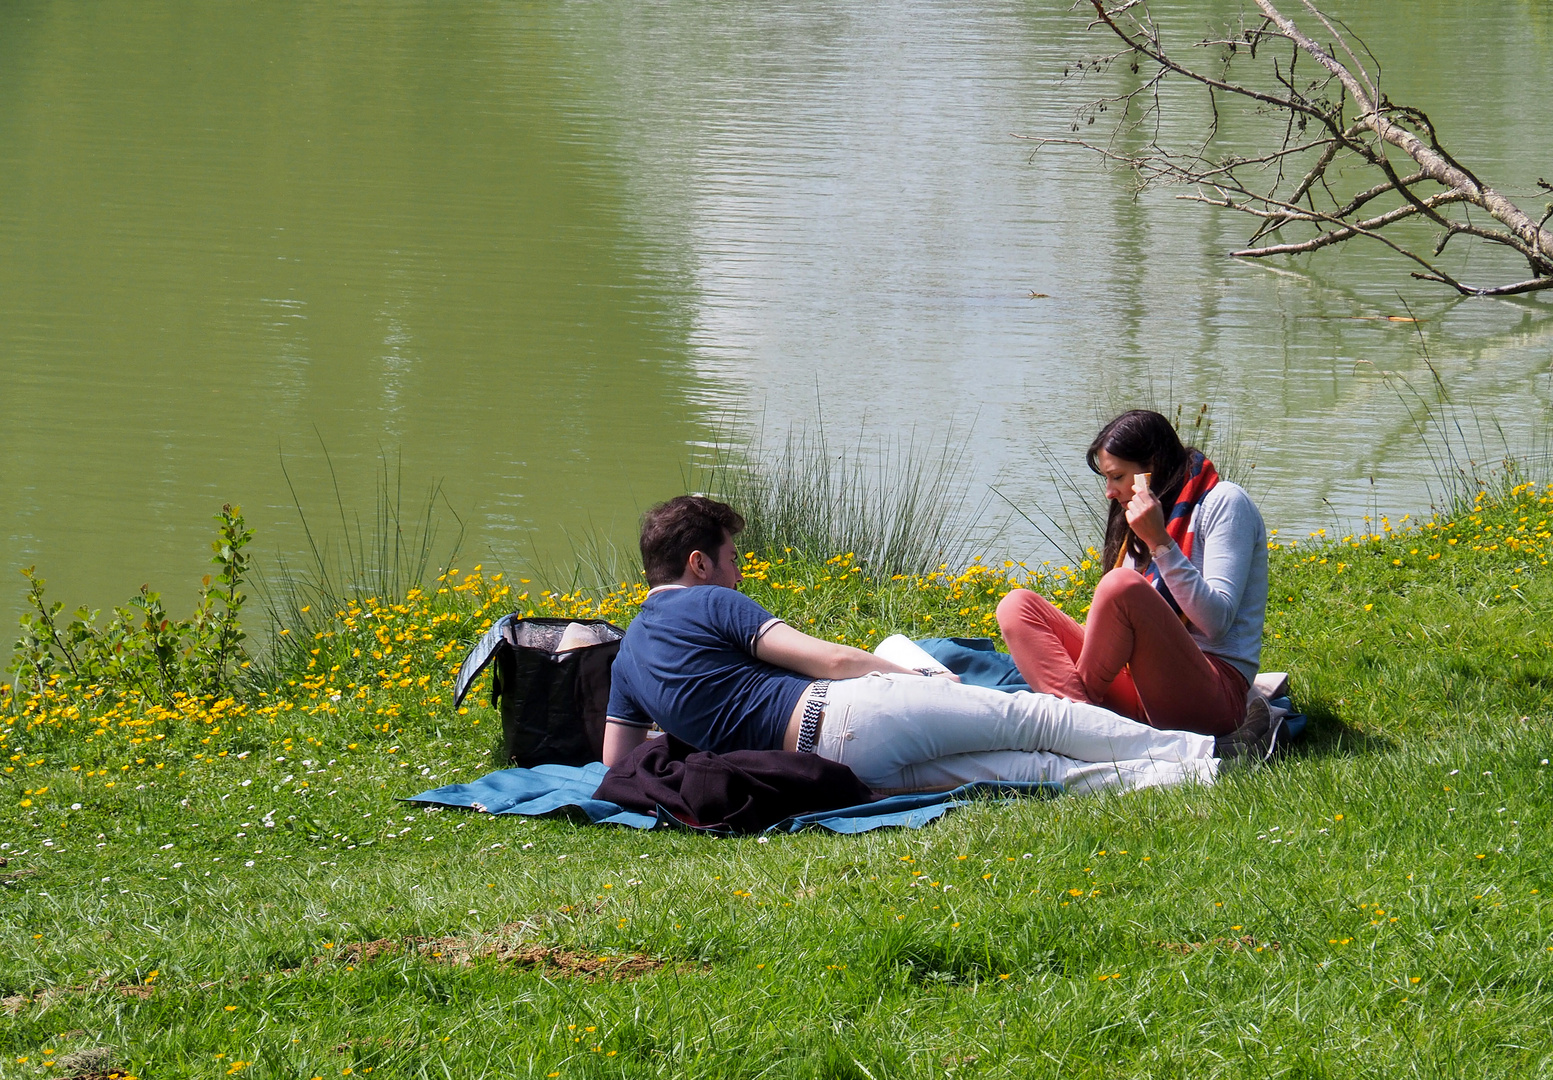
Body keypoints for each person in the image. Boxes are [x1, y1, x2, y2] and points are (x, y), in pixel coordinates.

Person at [602, 495, 1273, 795]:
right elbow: (829, 662)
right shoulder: (712, 602)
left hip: (838, 779)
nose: (737, 570)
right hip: (847, 717)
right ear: (696, 565)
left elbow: (618, 767)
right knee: (1035, 719)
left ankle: (1195, 780)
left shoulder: (626, 656)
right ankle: (1209, 753)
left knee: (1027, 772)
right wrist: (905, 676)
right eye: (729, 557)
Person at [996, 410, 1269, 738]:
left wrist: (1161, 543)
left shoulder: (1225, 503)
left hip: (1212, 694)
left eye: (1118, 477)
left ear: (1151, 468)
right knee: (1016, 606)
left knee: (1120, 585)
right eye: (1107, 479)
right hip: (1138, 683)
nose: (1109, 492)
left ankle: (1078, 726)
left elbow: (1216, 623)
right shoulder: (1143, 515)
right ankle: (1088, 727)